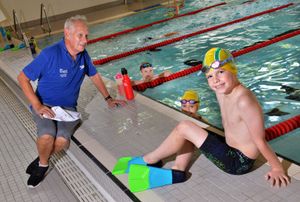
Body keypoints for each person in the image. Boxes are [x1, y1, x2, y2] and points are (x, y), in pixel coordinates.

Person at [121, 47, 290, 191]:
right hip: (230, 147)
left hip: (239, 163)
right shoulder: (221, 89)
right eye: (210, 76)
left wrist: (276, 167)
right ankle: (178, 170)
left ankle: (149, 159)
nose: (215, 80)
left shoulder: (245, 100)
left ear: (233, 70)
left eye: (221, 72)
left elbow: (260, 140)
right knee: (191, 129)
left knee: (185, 127)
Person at [17, 15, 126, 188]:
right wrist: (37, 105)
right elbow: (22, 78)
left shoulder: (83, 55)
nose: (85, 41)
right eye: (80, 35)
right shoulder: (50, 54)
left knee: (61, 141)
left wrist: (108, 98)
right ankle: (43, 166)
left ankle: (40, 159)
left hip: (68, 108)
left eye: (86, 36)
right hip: (45, 105)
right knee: (47, 136)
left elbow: (94, 75)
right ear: (67, 34)